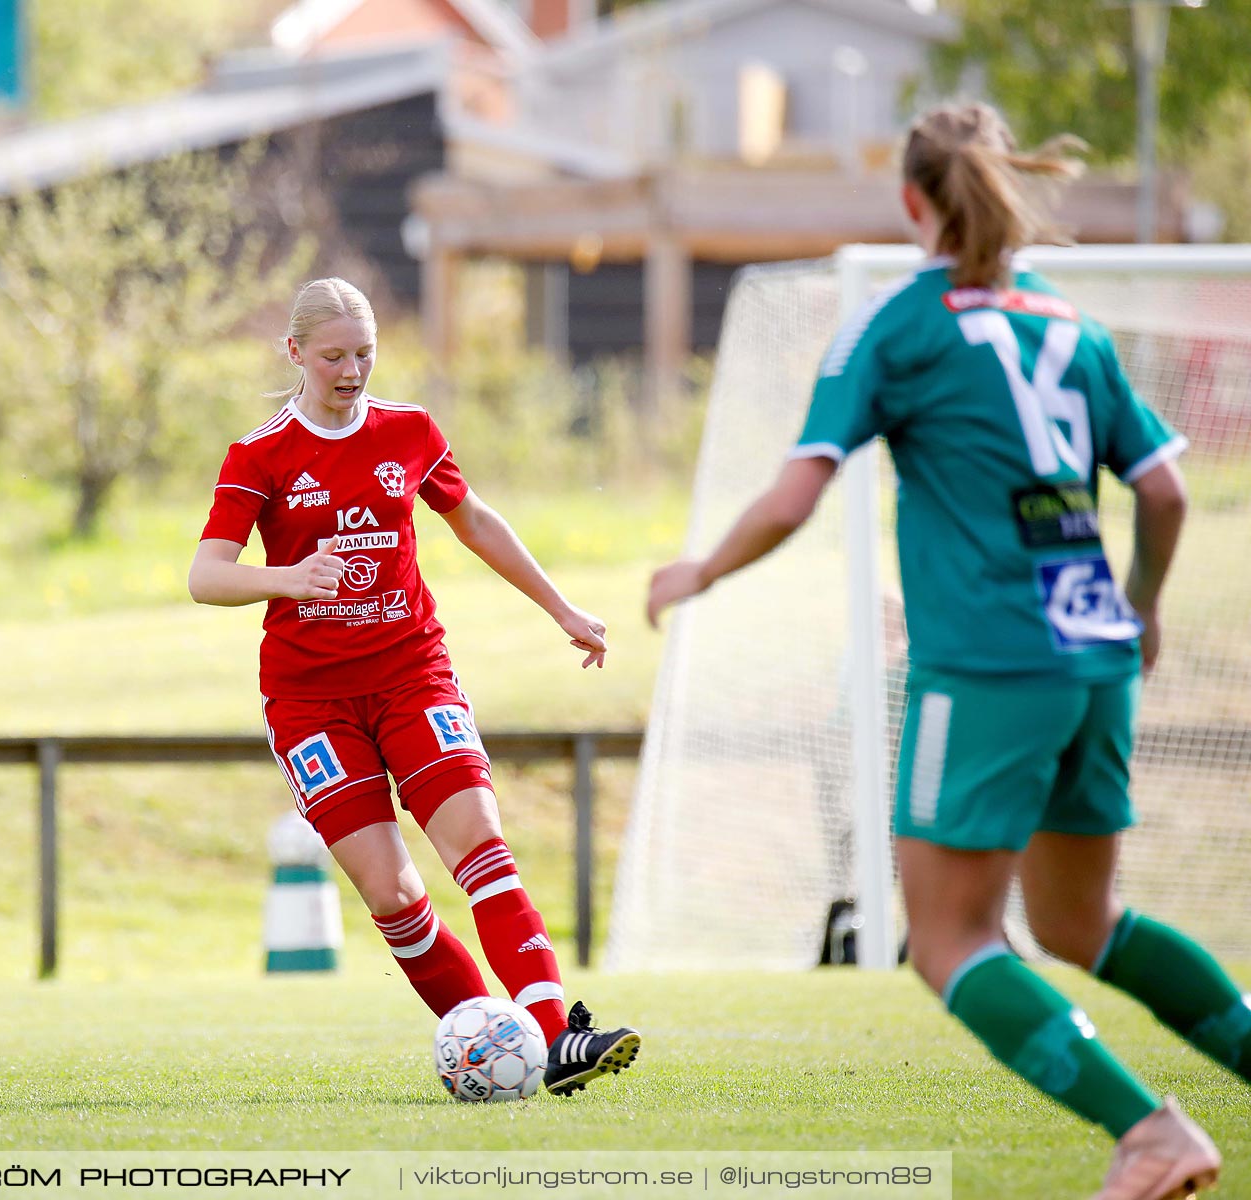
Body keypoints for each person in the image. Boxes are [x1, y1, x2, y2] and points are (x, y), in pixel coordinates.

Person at [646, 103, 1244, 1199]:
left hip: (986, 668)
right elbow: (1163, 488)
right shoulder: (1069, 325)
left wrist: (701, 572)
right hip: (1096, 659)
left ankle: (1150, 1133)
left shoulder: (897, 328)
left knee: (947, 940)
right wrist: (1144, 607)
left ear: (912, 202)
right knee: (1080, 921)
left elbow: (796, 490)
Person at [190, 277, 639, 1096]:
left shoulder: (408, 432)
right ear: (295, 354)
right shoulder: (260, 456)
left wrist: (560, 607)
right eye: (334, 356)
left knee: (480, 846)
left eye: (364, 352)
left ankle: (553, 1040)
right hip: (310, 704)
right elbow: (205, 576)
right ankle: (498, 1047)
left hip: (411, 675)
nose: (352, 369)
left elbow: (472, 519)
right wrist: (288, 577)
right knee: (394, 892)